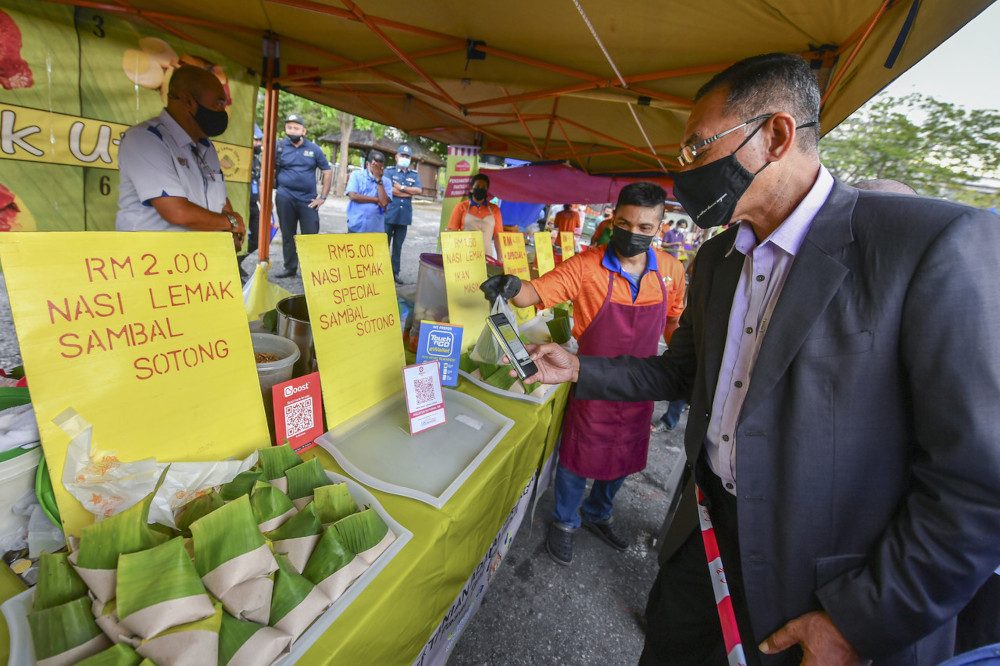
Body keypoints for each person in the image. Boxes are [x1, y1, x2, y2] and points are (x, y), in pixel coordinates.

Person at [517, 52, 1000, 665]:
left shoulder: (928, 244)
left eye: (697, 149)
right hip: (706, 539)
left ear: (775, 135)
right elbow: (682, 372)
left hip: (825, 595)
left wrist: (862, 621)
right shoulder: (717, 262)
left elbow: (978, 479)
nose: (684, 170)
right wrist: (580, 367)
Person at [481, 182, 686, 567]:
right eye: (625, 223)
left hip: (642, 383)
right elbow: (534, 292)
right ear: (613, 219)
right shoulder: (587, 265)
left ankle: (598, 512)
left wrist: (689, 354)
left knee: (624, 457)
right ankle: (565, 521)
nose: (634, 233)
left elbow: (674, 322)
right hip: (589, 379)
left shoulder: (672, 271)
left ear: (659, 227)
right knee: (578, 459)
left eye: (645, 228)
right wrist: (510, 285)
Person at [115, 65, 245, 251]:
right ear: (188, 101)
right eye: (218, 104)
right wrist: (231, 222)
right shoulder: (146, 139)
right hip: (152, 262)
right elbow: (177, 212)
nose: (222, 111)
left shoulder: (206, 147)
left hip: (196, 261)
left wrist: (232, 232)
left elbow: (221, 200)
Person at [274, 113, 332, 277]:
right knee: (287, 234)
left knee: (310, 235)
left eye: (296, 128)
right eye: (289, 127)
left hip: (308, 200)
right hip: (285, 196)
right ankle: (290, 268)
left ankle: (310, 270)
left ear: (303, 131)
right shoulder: (279, 147)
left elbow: (327, 172)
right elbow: (269, 171)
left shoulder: (314, 149)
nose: (292, 130)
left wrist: (323, 197)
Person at [384, 144, 422, 282]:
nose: (404, 158)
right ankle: (380, 273)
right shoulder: (389, 172)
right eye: (402, 155)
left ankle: (394, 273)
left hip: (403, 217)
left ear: (410, 159)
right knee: (383, 245)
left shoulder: (413, 174)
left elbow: (418, 190)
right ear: (396, 157)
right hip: (389, 214)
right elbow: (388, 190)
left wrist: (401, 188)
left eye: (407, 156)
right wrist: (407, 192)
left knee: (398, 247)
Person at [447, 173, 503, 258]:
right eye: (477, 186)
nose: (480, 189)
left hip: (486, 257)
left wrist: (500, 258)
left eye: (483, 187)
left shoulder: (495, 210)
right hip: (464, 256)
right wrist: (451, 256)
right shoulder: (460, 207)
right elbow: (451, 232)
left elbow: (497, 237)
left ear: (487, 190)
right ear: (471, 188)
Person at [346, 149, 393, 234]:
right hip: (356, 226)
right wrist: (376, 200)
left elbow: (384, 203)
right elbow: (352, 196)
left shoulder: (386, 182)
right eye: (375, 167)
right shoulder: (356, 175)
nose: (377, 170)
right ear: (367, 164)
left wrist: (379, 179)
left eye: (380, 167)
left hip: (375, 230)